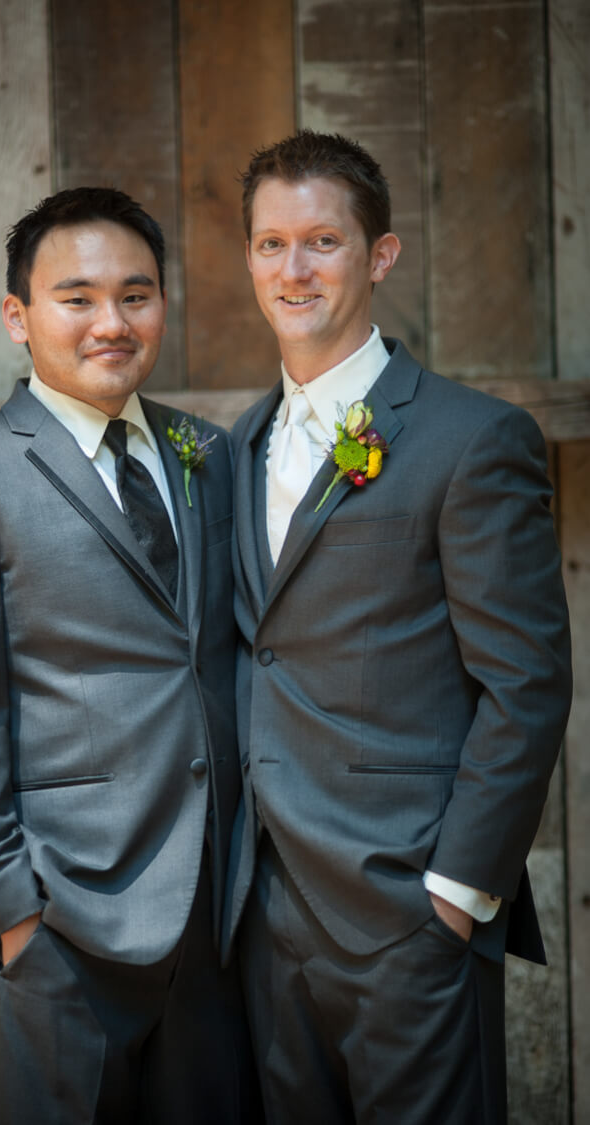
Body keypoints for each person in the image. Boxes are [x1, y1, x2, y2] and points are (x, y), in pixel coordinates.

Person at [223, 130, 572, 1124]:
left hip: (407, 914)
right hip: (261, 919)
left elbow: (527, 683)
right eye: (268, 244)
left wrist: (455, 893)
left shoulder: (471, 440)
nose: (292, 270)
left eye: (321, 243)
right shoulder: (237, 445)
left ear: (378, 255)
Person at [0, 186, 261, 1125]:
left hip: (218, 922)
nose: (112, 322)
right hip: (64, 925)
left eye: (136, 295)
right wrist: (11, 915)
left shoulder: (205, 452)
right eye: (78, 298)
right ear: (18, 316)